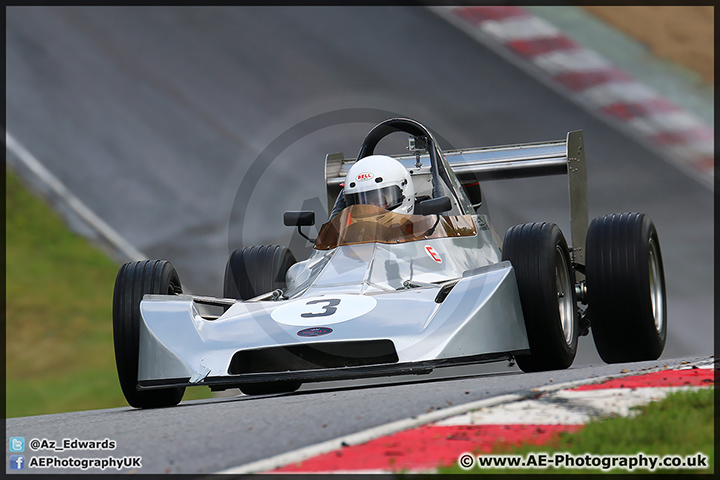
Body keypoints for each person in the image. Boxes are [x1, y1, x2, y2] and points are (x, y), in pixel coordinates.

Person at [329, 155, 415, 219]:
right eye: (364, 205)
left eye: (377, 201)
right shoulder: (348, 238)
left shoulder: (421, 237)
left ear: (404, 194)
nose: (371, 209)